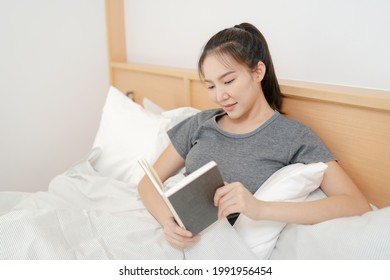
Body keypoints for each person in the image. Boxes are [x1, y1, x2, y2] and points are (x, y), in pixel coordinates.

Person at [137, 23, 371, 249]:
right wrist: (167, 222)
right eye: (210, 86)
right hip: (174, 242)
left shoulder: (293, 137)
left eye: (228, 81)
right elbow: (148, 182)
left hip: (222, 251)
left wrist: (260, 208)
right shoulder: (200, 123)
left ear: (258, 71)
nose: (220, 95)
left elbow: (356, 204)